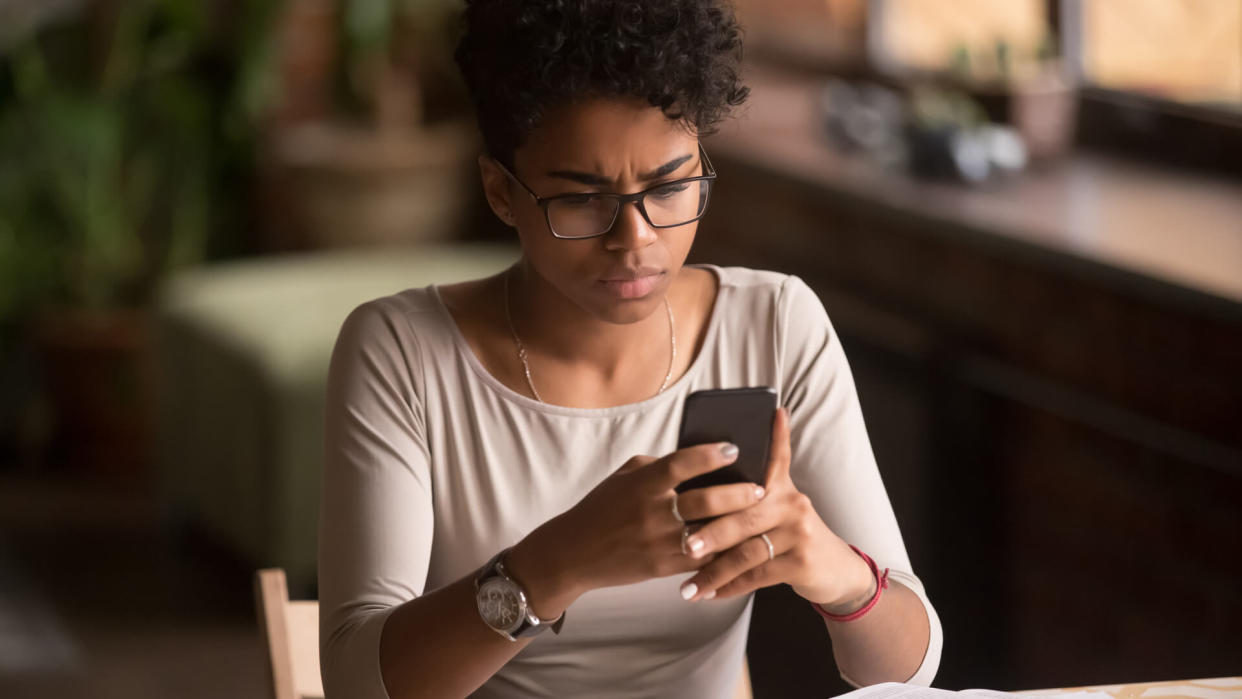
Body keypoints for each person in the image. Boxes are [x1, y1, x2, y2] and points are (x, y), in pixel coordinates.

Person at [317, 1, 942, 697]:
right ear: (500, 190)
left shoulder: (773, 324)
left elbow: (908, 668)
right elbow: (353, 682)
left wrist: (833, 569)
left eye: (671, 186)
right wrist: (557, 562)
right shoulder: (402, 353)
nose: (636, 239)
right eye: (584, 201)